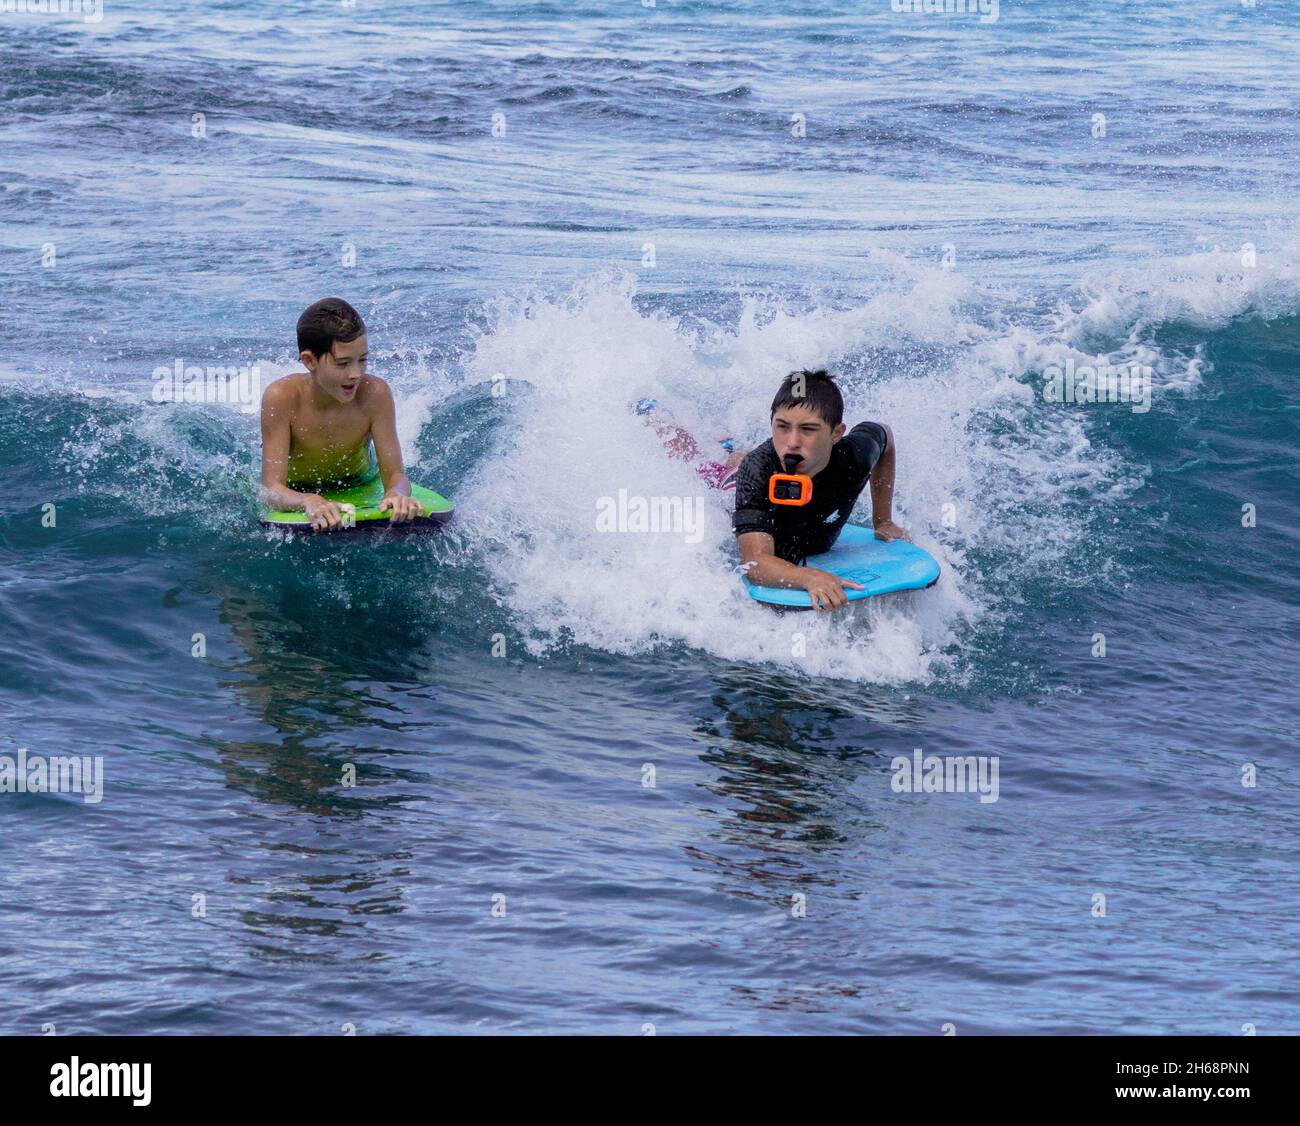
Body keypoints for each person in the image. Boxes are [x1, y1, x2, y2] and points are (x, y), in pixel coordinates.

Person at [732, 369, 907, 611]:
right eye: (782, 426)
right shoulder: (757, 471)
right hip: (734, 483)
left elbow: (885, 435)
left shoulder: (854, 456)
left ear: (836, 433)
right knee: (716, 469)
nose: (792, 442)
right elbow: (754, 564)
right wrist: (809, 577)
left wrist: (883, 520)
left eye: (808, 430)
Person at [260, 298, 423, 531]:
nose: (356, 373)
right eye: (343, 363)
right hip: (297, 488)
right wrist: (308, 500)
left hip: (360, 482)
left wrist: (397, 494)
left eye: (363, 360)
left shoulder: (375, 394)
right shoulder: (282, 398)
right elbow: (271, 489)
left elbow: (396, 473)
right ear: (309, 361)